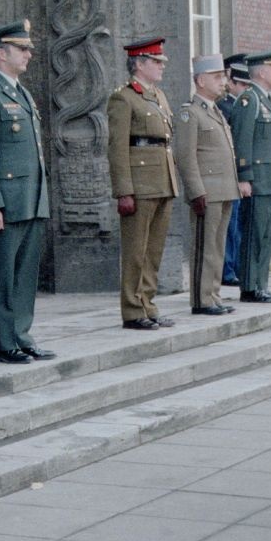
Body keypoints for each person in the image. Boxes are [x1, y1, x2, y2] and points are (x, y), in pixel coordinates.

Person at [0, 19, 55, 366]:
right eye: (22, 48)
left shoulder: (22, 93)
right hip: (5, 202)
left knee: (25, 273)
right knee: (2, 276)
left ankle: (21, 335)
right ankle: (4, 343)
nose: (29, 54)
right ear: (1, 53)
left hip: (31, 199)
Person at [106, 38, 179, 330]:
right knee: (136, 250)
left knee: (154, 249)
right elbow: (117, 148)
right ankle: (133, 309)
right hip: (139, 182)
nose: (161, 66)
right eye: (155, 61)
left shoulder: (158, 96)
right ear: (138, 64)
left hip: (162, 178)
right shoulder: (124, 98)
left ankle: (148, 303)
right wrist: (124, 190)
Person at [174, 54, 240, 316]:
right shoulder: (190, 113)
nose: (222, 81)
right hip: (207, 190)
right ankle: (201, 300)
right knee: (204, 246)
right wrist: (195, 190)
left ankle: (213, 294)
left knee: (217, 246)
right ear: (200, 81)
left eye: (222, 77)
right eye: (216, 77)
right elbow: (185, 156)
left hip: (224, 188)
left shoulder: (215, 111)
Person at [228, 48, 271, 303]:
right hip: (256, 179)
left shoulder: (266, 100)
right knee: (254, 234)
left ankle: (261, 283)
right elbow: (242, 140)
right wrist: (244, 176)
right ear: (262, 72)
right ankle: (250, 287)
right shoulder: (248, 100)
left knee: (265, 235)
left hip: (269, 179)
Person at [219, 52, 251, 288]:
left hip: (237, 173)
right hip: (226, 173)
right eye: (241, 84)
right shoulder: (224, 105)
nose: (244, 89)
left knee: (238, 224)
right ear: (231, 82)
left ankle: (235, 266)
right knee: (230, 226)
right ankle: (228, 269)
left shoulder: (240, 105)